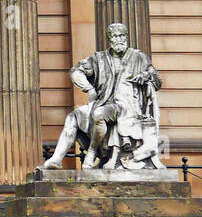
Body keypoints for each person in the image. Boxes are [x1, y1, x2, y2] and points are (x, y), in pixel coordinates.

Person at [42, 22, 164, 172]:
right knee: (73, 117)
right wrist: (89, 89)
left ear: (126, 37)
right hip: (103, 102)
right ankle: (56, 159)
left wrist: (147, 76)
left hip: (127, 107)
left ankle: (92, 152)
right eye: (114, 36)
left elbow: (157, 81)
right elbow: (75, 71)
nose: (119, 39)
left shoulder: (139, 57)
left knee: (98, 114)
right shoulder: (98, 59)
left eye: (122, 36)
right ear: (109, 39)